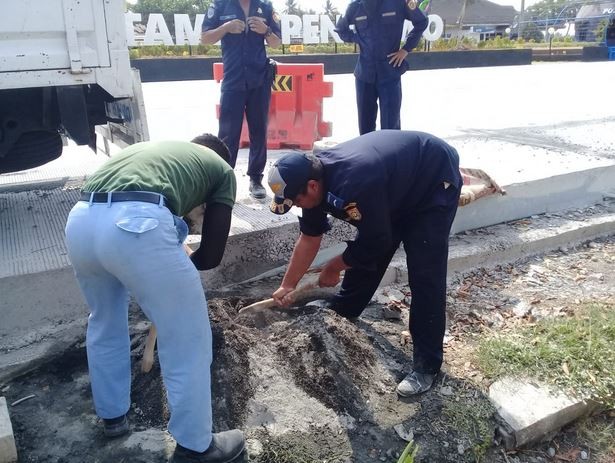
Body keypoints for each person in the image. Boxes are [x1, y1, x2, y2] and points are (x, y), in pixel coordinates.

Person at [64, 135, 245, 463]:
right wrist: (174, 271)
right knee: (188, 337)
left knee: (104, 321)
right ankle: (196, 446)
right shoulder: (221, 171)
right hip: (135, 224)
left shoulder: (160, 154)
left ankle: (112, 416)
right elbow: (211, 255)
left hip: (81, 222)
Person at [268, 130, 462, 396]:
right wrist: (287, 285)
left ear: (312, 186)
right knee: (368, 243)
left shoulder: (353, 183)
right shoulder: (310, 180)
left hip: (432, 180)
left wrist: (334, 267)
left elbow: (377, 241)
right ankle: (347, 306)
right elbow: (309, 237)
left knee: (425, 271)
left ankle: (427, 365)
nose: (299, 205)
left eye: (297, 200)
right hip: (395, 185)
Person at [202, 0, 282, 200]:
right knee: (228, 134)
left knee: (258, 131)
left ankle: (256, 178)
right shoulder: (220, 6)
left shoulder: (266, 7)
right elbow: (205, 38)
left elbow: (276, 42)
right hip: (233, 79)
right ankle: (223, 181)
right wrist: (226, 27)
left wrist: (265, 30)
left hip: (259, 81)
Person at [335, 0, 428, 135]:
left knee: (390, 128)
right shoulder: (355, 6)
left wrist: (406, 49)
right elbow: (341, 29)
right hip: (364, 75)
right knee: (365, 126)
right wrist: (357, 39)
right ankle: (368, 155)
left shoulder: (400, 3)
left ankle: (390, 156)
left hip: (390, 72)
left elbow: (421, 22)